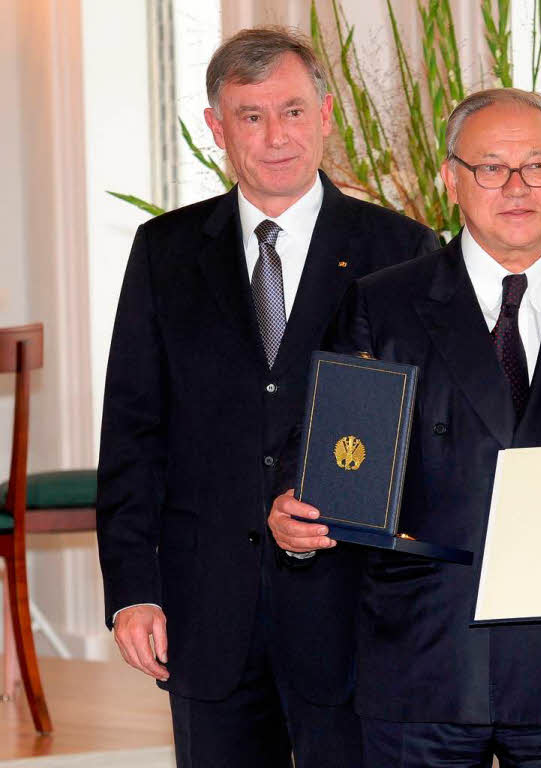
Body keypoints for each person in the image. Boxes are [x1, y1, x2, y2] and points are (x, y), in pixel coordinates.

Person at [268, 87, 541, 767]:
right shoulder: (381, 304)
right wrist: (295, 509)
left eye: (538, 166)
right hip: (422, 659)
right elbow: (323, 447)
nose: (517, 187)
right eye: (491, 167)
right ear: (452, 179)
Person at [96, 27, 438, 768]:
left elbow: (430, 439)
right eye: (250, 116)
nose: (275, 136)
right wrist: (132, 591)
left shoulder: (403, 251)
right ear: (218, 129)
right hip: (205, 612)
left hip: (355, 617)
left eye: (290, 110)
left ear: (325, 112)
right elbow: (132, 432)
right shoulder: (165, 252)